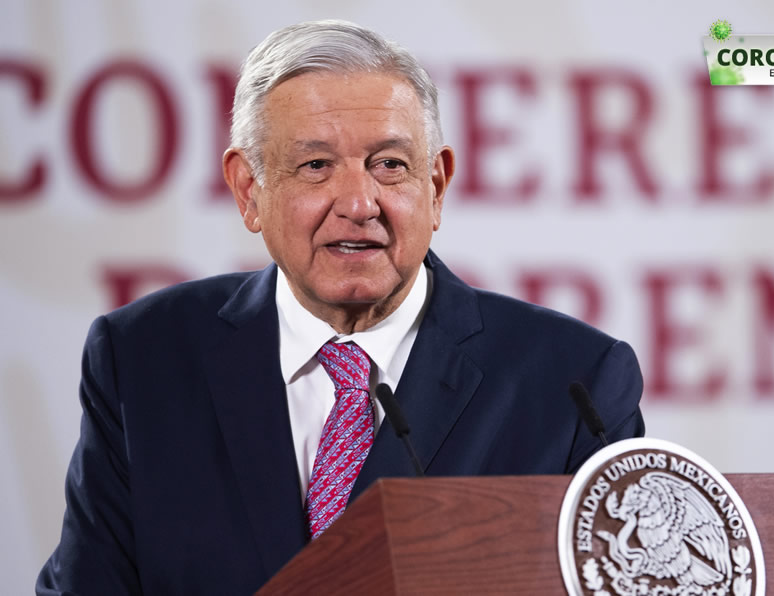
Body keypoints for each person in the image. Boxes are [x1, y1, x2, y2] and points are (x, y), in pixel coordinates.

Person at [37, 20, 645, 594]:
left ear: (435, 188)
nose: (359, 202)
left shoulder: (574, 385)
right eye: (316, 166)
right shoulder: (143, 359)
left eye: (389, 165)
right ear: (249, 191)